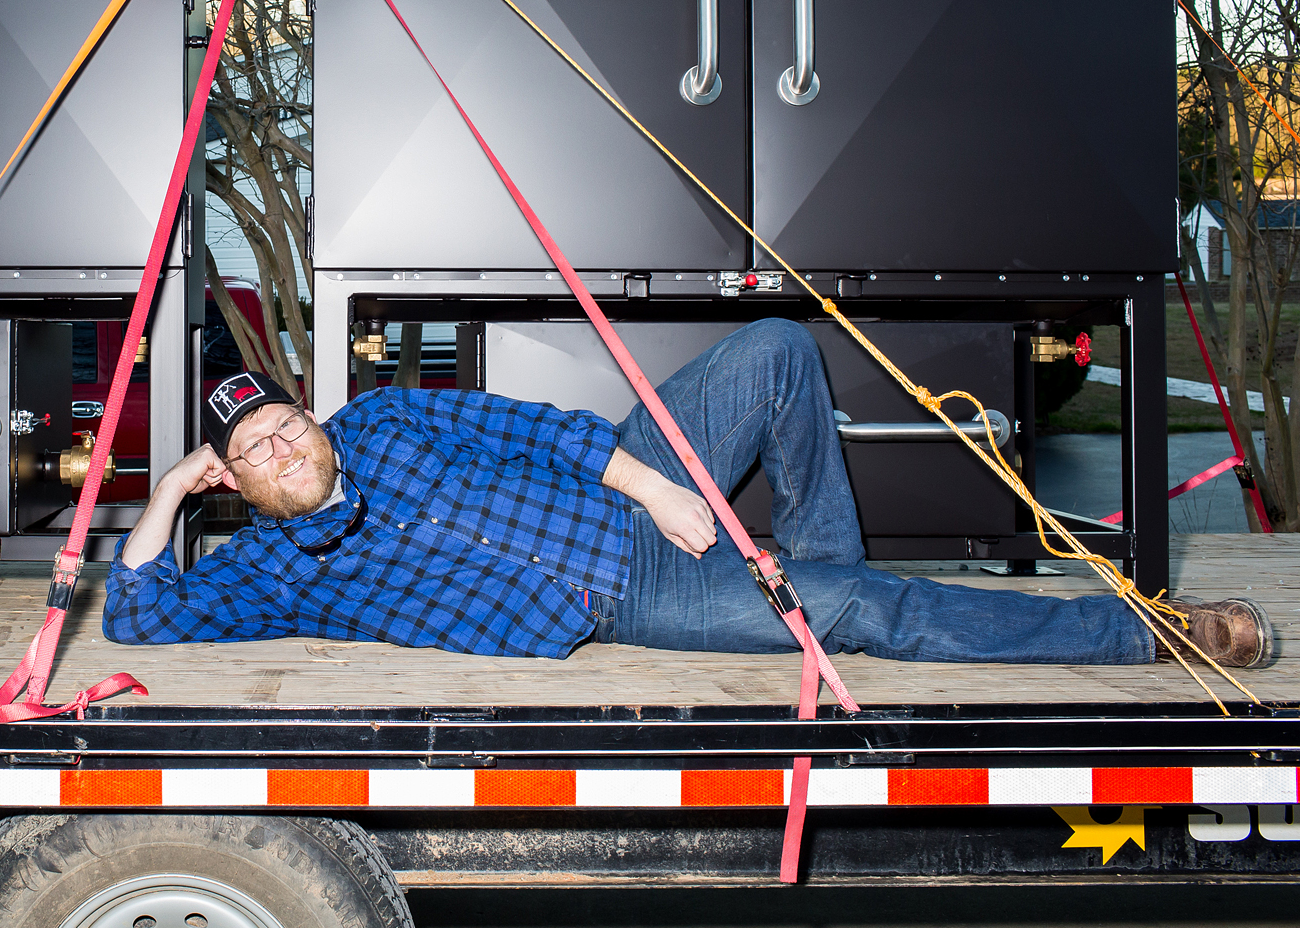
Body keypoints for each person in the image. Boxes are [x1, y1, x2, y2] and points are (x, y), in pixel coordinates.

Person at [104, 319, 1273, 669]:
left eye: (283, 422)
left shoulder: (383, 418)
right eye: (250, 452)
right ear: (236, 488)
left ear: (311, 414)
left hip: (616, 490)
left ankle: (818, 572)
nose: (281, 447)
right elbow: (137, 615)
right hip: (613, 595)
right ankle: (1143, 632)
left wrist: (654, 483)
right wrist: (162, 499)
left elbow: (531, 426)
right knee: (862, 611)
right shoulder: (267, 570)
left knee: (772, 350)